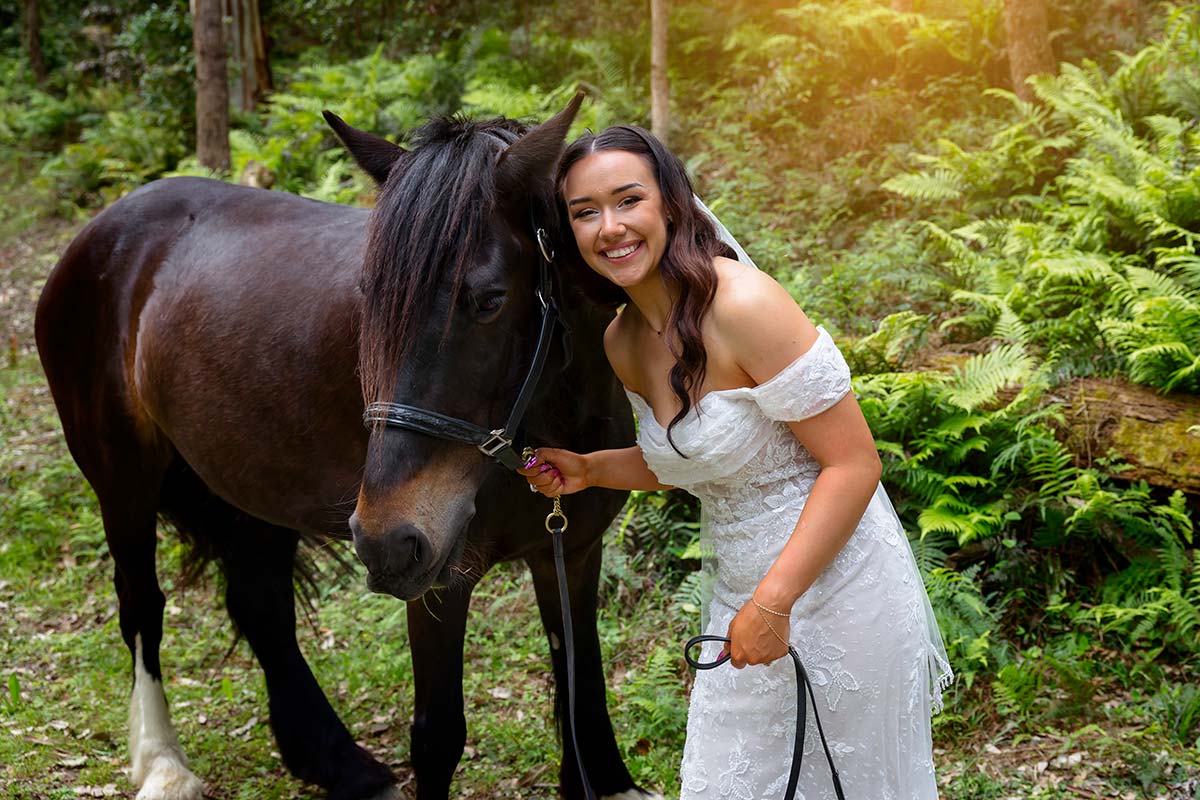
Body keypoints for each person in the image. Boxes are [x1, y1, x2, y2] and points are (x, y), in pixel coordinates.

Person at [518, 125, 952, 799]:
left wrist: (774, 603)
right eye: (585, 212)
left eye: (628, 200)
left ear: (668, 203)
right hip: (741, 600)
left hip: (840, 587)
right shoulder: (623, 341)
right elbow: (695, 458)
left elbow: (854, 465)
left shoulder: (745, 304)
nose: (610, 227)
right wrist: (592, 469)